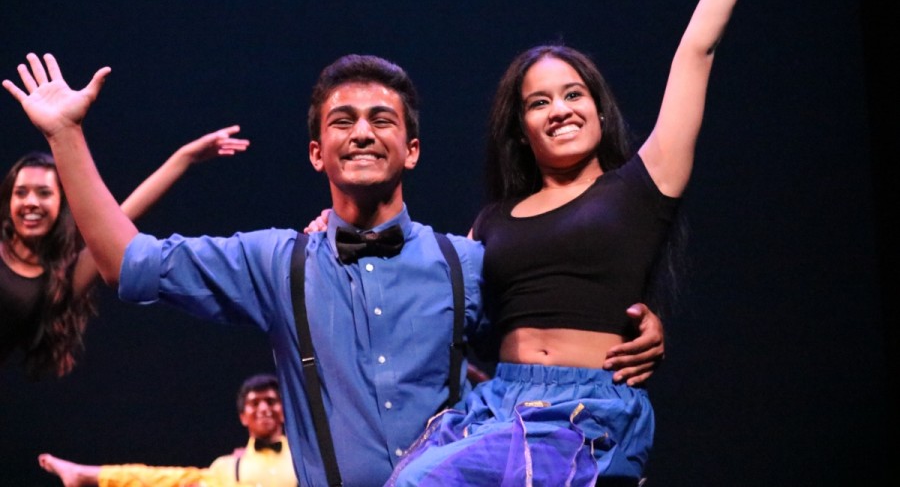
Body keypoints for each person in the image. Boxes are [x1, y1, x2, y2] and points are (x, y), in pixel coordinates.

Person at [3, 52, 664, 487]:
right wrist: (65, 136)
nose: (362, 132)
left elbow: (548, 334)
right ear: (318, 153)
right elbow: (127, 262)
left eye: (382, 120)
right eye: (342, 121)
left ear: (412, 149)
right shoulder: (275, 261)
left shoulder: (466, 262)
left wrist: (633, 332)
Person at [384, 0, 830, 486]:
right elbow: (443, 306)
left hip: (585, 412)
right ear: (521, 131)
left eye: (574, 95)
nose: (560, 110)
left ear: (598, 108)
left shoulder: (642, 187)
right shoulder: (493, 220)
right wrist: (332, 232)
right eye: (538, 103)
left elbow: (695, 54)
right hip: (496, 408)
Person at [0, 125, 249, 380]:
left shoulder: (60, 283)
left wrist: (184, 158)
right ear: (9, 202)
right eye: (21, 193)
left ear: (61, 204)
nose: (31, 201)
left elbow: (122, 216)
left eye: (44, 193)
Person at [37, 373, 297, 487]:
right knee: (165, 479)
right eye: (254, 403)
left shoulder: (306, 455)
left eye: (271, 401)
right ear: (243, 416)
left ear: (284, 410)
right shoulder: (228, 466)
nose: (263, 408)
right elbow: (156, 480)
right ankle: (85, 474)